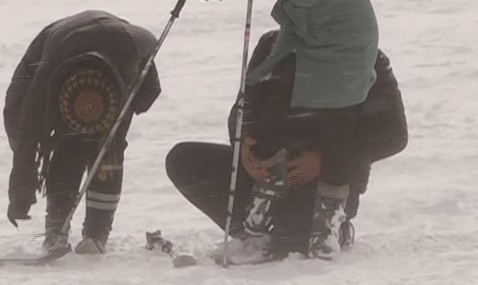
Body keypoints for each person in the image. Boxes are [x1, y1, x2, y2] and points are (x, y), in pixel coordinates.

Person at [174, 0, 380, 259]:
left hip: (343, 37)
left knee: (336, 125)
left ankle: (327, 229)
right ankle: (268, 197)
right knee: (282, 106)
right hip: (310, 33)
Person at [165, 32, 406, 261]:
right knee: (183, 160)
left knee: (290, 243)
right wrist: (245, 148)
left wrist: (324, 160)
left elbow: (394, 135)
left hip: (325, 184)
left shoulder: (363, 55)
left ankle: (329, 228)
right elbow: (243, 107)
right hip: (267, 175)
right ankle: (253, 232)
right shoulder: (272, 45)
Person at [3, 11, 162, 255]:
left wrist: (122, 112)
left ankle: (97, 233)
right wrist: (21, 196)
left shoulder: (133, 56)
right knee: (69, 144)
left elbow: (149, 92)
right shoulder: (42, 80)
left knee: (110, 148)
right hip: (53, 52)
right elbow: (25, 135)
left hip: (115, 68)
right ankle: (56, 229)